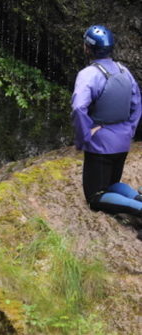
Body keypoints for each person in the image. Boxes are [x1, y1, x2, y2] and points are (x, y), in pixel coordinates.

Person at [71, 25, 142, 217]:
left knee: (95, 196)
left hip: (101, 145)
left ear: (87, 48)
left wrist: (85, 136)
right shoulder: (124, 71)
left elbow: (79, 107)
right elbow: (137, 104)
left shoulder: (89, 75)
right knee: (111, 185)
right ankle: (138, 199)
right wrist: (129, 130)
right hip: (122, 142)